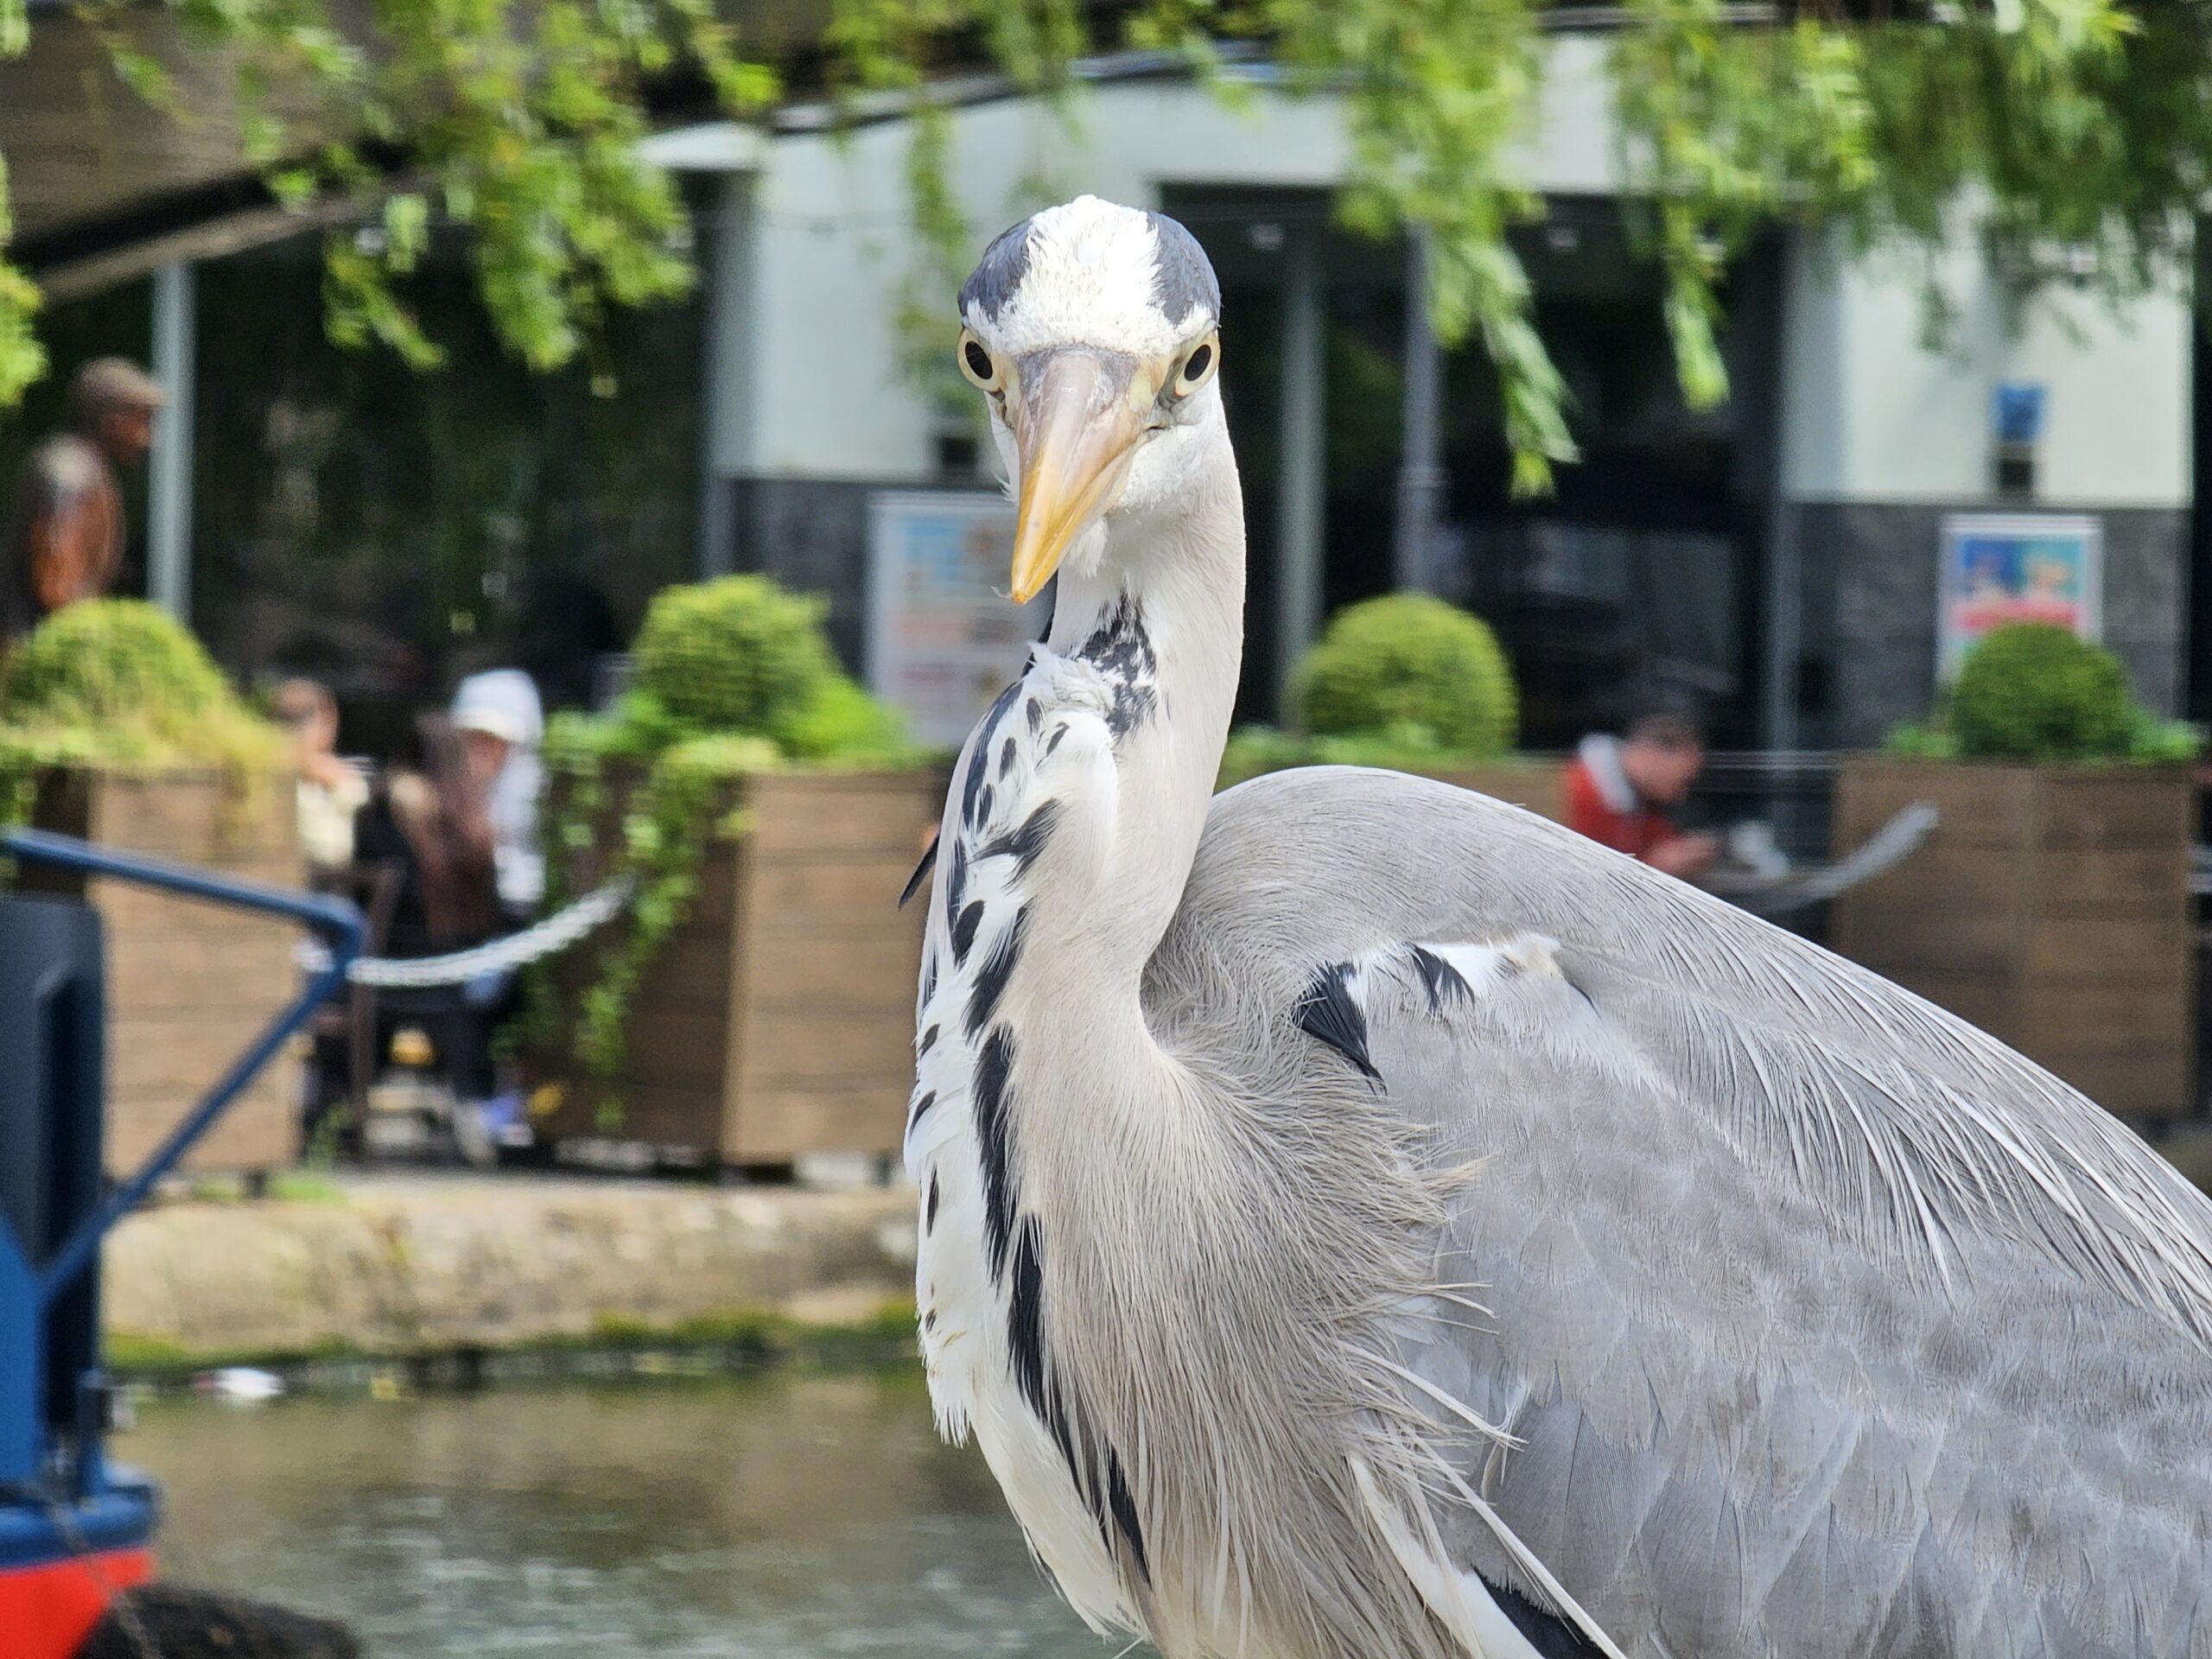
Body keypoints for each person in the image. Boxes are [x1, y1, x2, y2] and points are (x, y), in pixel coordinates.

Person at [2, 358, 166, 645]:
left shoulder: (87, 471)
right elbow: (57, 587)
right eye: (142, 421)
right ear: (112, 419)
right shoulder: (71, 477)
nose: (148, 438)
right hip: (36, 650)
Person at [1562, 709, 1718, 879]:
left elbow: (1657, 841)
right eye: (1682, 782)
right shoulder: (1580, 792)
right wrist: (1654, 867)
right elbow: (1577, 878)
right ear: (1653, 755)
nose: (1681, 795)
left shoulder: (1635, 799)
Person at [449, 668, 545, 917]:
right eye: (473, 737)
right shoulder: (448, 787)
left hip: (519, 906)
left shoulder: (537, 790)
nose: (481, 748)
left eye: (492, 738)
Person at [275, 678, 368, 879]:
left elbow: (356, 795)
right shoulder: (276, 764)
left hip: (327, 875)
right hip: (298, 875)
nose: (332, 730)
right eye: (326, 720)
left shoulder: (333, 770)